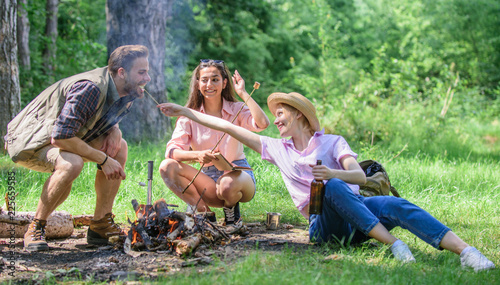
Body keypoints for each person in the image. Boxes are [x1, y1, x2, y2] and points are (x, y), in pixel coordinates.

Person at [157, 92, 495, 271]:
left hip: (358, 209)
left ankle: (467, 252)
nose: (275, 120)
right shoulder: (277, 148)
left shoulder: (333, 143)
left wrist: (334, 173)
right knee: (327, 189)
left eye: (281, 114)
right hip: (324, 224)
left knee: (393, 203)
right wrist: (186, 113)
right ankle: (393, 243)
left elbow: (360, 176)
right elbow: (231, 128)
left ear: (300, 115)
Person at [4, 45, 151, 251]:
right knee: (72, 163)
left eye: (147, 71)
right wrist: (103, 159)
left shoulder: (126, 89)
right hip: (32, 142)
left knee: (120, 147)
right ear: (121, 72)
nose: (148, 78)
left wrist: (114, 128)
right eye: (142, 72)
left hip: (66, 136)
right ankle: (36, 228)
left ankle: (100, 223)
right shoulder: (90, 88)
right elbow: (61, 137)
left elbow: (101, 114)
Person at [158, 59, 269, 228]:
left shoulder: (236, 108)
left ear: (225, 83)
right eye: (204, 80)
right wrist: (197, 155)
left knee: (227, 184)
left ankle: (232, 214)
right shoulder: (188, 115)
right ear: (197, 83)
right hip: (207, 180)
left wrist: (244, 94)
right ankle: (204, 215)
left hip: (237, 175)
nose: (209, 84)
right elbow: (172, 152)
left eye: (215, 79)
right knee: (167, 166)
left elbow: (262, 124)